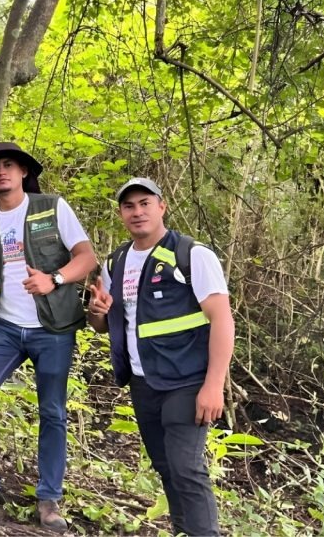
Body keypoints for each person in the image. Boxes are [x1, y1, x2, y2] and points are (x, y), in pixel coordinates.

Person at [0, 142, 97, 532]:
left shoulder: (51, 207)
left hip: (52, 329)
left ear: (22, 173)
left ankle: (49, 500)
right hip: (3, 326)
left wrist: (54, 279)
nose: (1, 172)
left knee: (52, 411)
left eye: (9, 166)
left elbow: (87, 257)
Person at [87, 177, 234, 537]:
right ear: (121, 213)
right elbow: (103, 325)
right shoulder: (116, 261)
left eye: (145, 204)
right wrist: (96, 311)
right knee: (166, 466)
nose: (137, 212)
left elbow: (222, 319)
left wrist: (214, 385)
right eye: (129, 206)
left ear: (162, 207)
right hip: (143, 381)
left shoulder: (192, 255)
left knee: (187, 468)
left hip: (187, 381)